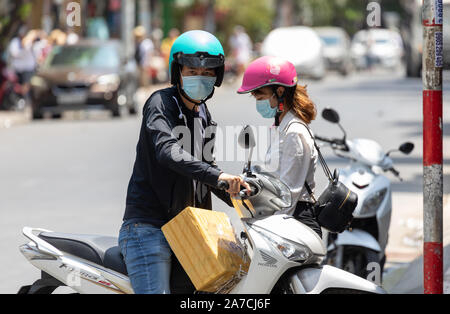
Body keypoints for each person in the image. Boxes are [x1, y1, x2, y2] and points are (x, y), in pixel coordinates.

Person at [118, 30, 250, 294]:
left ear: (218, 76)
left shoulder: (205, 115)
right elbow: (167, 151)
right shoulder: (160, 104)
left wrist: (243, 195)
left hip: (188, 232)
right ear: (176, 72)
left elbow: (208, 171)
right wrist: (217, 176)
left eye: (207, 73)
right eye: (191, 71)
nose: (199, 78)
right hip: (149, 229)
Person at [237, 56, 322, 238]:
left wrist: (270, 234)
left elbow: (289, 194)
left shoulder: (294, 132)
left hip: (295, 223)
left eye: (260, 96)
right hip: (283, 219)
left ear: (280, 91)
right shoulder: (281, 127)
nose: (258, 102)